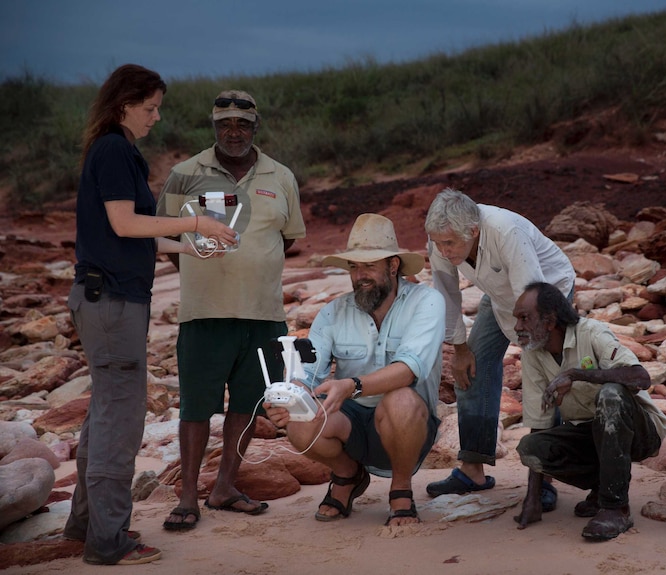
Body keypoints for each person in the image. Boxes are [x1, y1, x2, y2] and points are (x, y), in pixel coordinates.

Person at [62, 64, 237, 566]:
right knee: (119, 422)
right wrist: (198, 219)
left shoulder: (109, 149)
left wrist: (186, 244)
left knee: (103, 416)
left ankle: (84, 525)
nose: (156, 117)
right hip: (113, 304)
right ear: (124, 104)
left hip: (103, 301)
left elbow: (126, 230)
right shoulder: (116, 149)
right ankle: (109, 541)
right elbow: (123, 220)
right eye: (150, 107)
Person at [156, 90, 306, 530]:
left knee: (246, 404)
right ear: (214, 127)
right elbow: (164, 236)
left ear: (255, 127)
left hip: (263, 314)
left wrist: (253, 261)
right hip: (204, 313)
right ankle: (186, 499)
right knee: (196, 409)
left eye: (242, 124)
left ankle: (224, 487)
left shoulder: (281, 176)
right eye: (225, 125)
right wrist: (203, 266)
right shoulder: (185, 173)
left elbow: (289, 236)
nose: (234, 132)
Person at [264, 213, 444, 526]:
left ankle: (401, 488)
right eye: (353, 266)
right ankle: (348, 475)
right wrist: (289, 398)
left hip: (409, 423)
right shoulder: (334, 311)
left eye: (369, 266)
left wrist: (351, 385)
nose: (359, 275)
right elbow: (307, 372)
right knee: (299, 423)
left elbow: (409, 370)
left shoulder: (427, 302)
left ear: (393, 265)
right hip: (352, 423)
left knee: (400, 398)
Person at [423, 188, 575, 512]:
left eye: (450, 244)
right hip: (502, 294)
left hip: (546, 294)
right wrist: (460, 349)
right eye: (438, 243)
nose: (443, 250)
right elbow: (447, 295)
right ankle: (472, 470)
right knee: (472, 370)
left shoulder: (506, 231)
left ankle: (544, 476)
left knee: (545, 379)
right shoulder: (442, 239)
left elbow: (533, 298)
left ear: (473, 231)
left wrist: (532, 354)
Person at [512, 282, 666, 540]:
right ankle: (602, 486)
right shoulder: (532, 354)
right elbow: (540, 422)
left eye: (524, 318)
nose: (518, 327)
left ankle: (615, 507)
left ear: (550, 321)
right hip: (592, 436)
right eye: (516, 319)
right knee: (531, 448)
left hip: (640, 432)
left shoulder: (592, 333)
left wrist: (576, 374)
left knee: (611, 394)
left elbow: (639, 377)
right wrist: (534, 498)